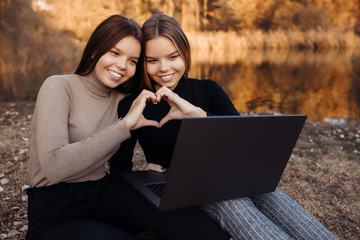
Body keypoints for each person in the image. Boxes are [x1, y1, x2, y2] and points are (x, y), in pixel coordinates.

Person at [110, 14, 338, 240]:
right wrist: (142, 174)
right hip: (190, 189)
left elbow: (244, 139)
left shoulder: (208, 90)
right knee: (232, 203)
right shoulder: (134, 104)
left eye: (173, 57)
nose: (164, 68)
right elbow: (120, 170)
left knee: (273, 196)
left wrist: (197, 115)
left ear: (185, 54)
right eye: (152, 60)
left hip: (235, 177)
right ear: (143, 62)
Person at [26, 15, 163, 240]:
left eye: (132, 61)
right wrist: (124, 126)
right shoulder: (59, 87)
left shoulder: (123, 100)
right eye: (115, 53)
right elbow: (54, 166)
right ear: (94, 50)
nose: (122, 65)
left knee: (168, 211)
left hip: (104, 197)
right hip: (57, 210)